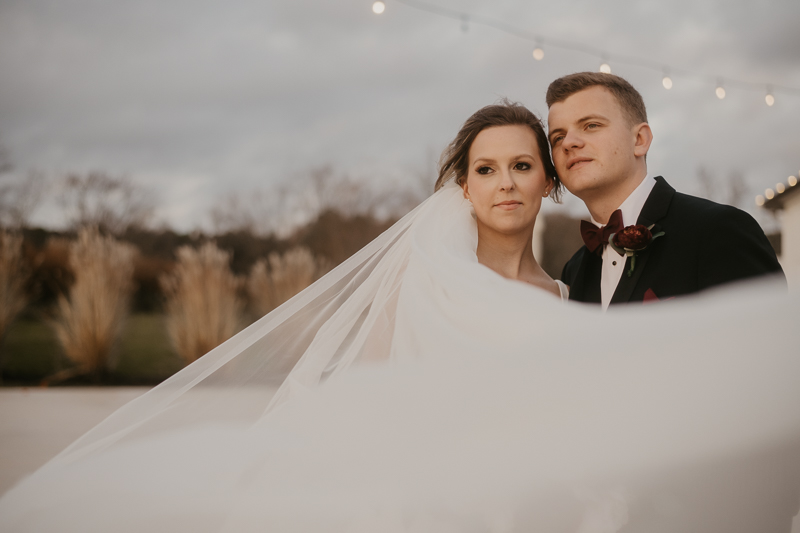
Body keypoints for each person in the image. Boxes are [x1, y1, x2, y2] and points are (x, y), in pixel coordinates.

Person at [0, 103, 798, 533]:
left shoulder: (569, 291)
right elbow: (355, 411)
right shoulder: (427, 281)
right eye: (487, 169)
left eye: (524, 165)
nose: (507, 183)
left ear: (548, 182)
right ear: (462, 188)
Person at [547, 72, 784, 309]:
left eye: (591, 125)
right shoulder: (574, 270)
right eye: (558, 137)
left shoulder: (719, 231)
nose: (568, 143)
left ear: (640, 139)